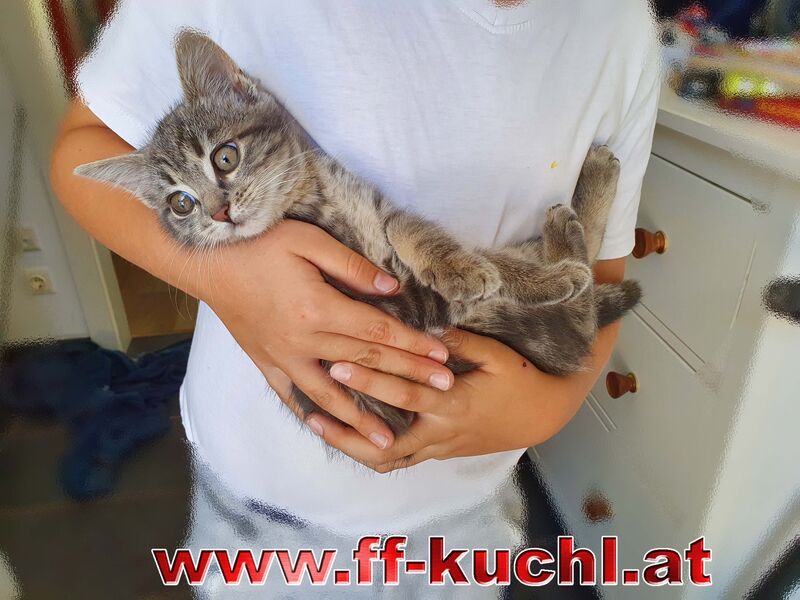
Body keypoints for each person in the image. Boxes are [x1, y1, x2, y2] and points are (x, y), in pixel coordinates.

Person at [50, 0, 660, 593]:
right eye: (189, 203)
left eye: (225, 162)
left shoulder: (619, 29)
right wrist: (228, 278)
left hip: (466, 505)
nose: (219, 209)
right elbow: (82, 147)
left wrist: (549, 410)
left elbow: (602, 277)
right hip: (263, 512)